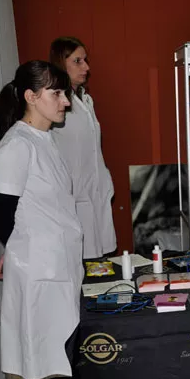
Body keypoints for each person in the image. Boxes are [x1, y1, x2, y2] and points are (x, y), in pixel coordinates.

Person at [0, 60, 82, 379]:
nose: (65, 102)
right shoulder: (17, 146)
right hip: (39, 274)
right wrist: (17, 248)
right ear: (31, 96)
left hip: (58, 266)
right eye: (57, 93)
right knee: (43, 367)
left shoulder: (44, 139)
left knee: (59, 359)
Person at [50, 36, 117, 259]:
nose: (86, 67)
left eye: (85, 60)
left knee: (99, 262)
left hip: (95, 193)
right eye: (77, 61)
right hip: (72, 199)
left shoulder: (85, 101)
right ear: (61, 63)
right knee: (79, 261)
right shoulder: (53, 105)